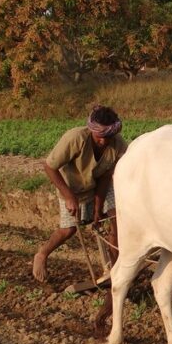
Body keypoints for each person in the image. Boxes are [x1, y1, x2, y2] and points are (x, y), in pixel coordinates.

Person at [32, 105, 128, 283]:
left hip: (100, 185)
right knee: (69, 230)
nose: (104, 142)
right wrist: (69, 197)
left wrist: (98, 208)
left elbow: (106, 177)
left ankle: (115, 270)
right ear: (92, 130)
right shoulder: (75, 138)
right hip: (72, 188)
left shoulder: (118, 144)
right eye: (100, 137)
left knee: (115, 220)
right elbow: (50, 167)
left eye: (108, 137)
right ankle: (42, 254)